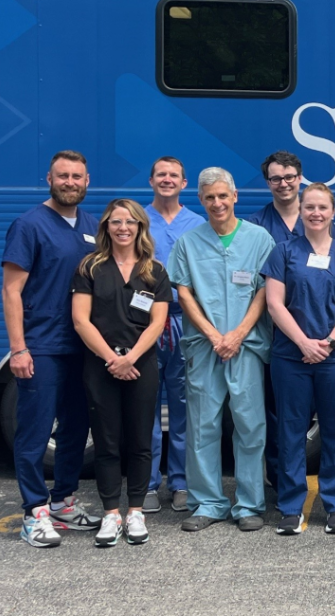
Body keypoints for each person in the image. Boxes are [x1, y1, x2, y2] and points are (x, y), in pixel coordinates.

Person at [3, 150, 102, 548]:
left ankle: (62, 501)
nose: (70, 182)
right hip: (42, 346)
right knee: (34, 432)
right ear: (49, 179)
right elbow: (11, 291)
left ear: (87, 181)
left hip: (83, 348)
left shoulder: (94, 226)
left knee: (76, 429)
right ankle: (34, 511)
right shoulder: (28, 225)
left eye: (77, 176)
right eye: (63, 176)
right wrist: (18, 348)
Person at [169, 167, 275, 533]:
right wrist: (215, 336)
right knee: (203, 425)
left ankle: (248, 504)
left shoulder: (259, 239)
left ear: (235, 197)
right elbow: (184, 293)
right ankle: (208, 502)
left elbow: (266, 290)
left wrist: (239, 334)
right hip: (204, 346)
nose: (217, 203)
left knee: (250, 424)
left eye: (222, 196)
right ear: (200, 200)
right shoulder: (188, 243)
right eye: (209, 197)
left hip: (245, 347)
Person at [263, 183, 335, 535]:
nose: (315, 213)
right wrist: (303, 343)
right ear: (301, 210)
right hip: (290, 357)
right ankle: (291, 506)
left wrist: (329, 341)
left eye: (322, 207)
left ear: (332, 212)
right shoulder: (283, 252)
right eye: (309, 207)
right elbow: (274, 303)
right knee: (291, 432)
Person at [72, 199, 171, 546]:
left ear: (141, 227)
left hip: (141, 366)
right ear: (106, 227)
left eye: (130, 222)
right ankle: (111, 513)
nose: (123, 228)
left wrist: (131, 359)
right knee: (107, 441)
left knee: (141, 441)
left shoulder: (154, 271)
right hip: (101, 366)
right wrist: (113, 360)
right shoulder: (90, 267)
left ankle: (136, 511)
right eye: (116, 222)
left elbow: (158, 322)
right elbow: (81, 320)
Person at [144, 156, 205, 514]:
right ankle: (148, 483)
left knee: (185, 408)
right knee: (145, 408)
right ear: (151, 181)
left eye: (174, 176)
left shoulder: (197, 223)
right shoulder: (137, 221)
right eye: (161, 174)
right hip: (146, 324)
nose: (167, 180)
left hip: (186, 323)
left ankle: (181, 482)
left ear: (184, 184)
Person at [246, 150, 307, 489]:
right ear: (267, 182)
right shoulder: (255, 224)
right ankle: (277, 474)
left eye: (289, 177)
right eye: (275, 178)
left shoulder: (316, 217)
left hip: (314, 327)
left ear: (299, 177)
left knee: (305, 409)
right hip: (271, 332)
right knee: (272, 407)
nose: (283, 184)